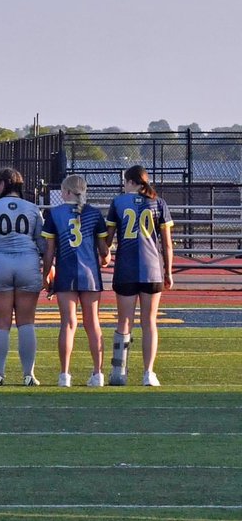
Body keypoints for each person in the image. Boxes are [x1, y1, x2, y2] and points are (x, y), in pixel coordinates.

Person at [105, 165, 174, 387]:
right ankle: (148, 373)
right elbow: (167, 244)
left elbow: (108, 240)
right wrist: (168, 271)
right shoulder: (158, 202)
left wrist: (102, 255)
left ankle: (119, 372)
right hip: (152, 268)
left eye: (126, 181)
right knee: (149, 323)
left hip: (126, 268)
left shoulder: (118, 202)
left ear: (132, 182)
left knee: (124, 322)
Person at [0, 168, 45, 386]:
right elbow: (42, 243)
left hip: (0, 263)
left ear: (4, 183)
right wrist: (50, 270)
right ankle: (28, 375)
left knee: (1, 324)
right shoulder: (33, 208)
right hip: (27, 263)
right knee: (26, 323)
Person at [42, 174, 110, 387]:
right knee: (93, 324)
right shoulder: (94, 214)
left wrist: (46, 274)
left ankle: (65, 375)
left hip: (66, 274)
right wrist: (105, 258)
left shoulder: (55, 214)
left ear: (68, 192)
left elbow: (49, 251)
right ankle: (98, 374)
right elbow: (104, 253)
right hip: (90, 275)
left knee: (68, 324)